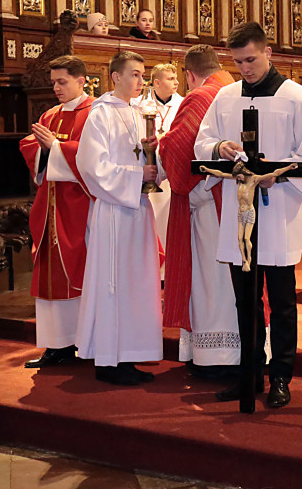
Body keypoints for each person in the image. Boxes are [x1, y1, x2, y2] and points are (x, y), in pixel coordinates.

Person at [194, 22, 302, 408]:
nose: (245, 68)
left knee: (283, 300)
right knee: (245, 299)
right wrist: (220, 145)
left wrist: (278, 177)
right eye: (238, 62)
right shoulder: (225, 96)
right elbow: (203, 142)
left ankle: (282, 376)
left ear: (268, 52)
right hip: (241, 212)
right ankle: (249, 374)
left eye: (251, 59)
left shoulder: (295, 96)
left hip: (279, 211)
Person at [74, 51, 164, 385]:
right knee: (115, 284)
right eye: (136, 75)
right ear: (115, 77)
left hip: (137, 210)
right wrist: (136, 175)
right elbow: (91, 167)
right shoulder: (100, 115)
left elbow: (151, 165)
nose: (141, 81)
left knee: (137, 284)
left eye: (143, 75)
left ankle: (129, 354)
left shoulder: (140, 114)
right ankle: (109, 360)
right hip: (113, 211)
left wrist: (156, 154)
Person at [159, 45, 240, 377]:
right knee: (236, 280)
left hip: (210, 204)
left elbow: (180, 150)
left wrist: (162, 143)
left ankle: (215, 358)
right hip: (239, 199)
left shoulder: (201, 96)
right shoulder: (234, 88)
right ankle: (242, 351)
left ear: (188, 75)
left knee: (211, 279)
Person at [18, 55, 94, 369]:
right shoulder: (50, 114)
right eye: (53, 82)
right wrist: (44, 147)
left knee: (82, 272)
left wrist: (57, 148)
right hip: (50, 207)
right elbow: (30, 144)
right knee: (51, 276)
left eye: (62, 81)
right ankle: (57, 345)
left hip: (80, 207)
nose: (56, 88)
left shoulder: (94, 113)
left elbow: (93, 155)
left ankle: (86, 341)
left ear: (82, 80)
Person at [132, 63, 184, 251]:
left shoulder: (183, 104)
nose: (176, 82)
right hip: (147, 170)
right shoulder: (138, 105)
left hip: (171, 173)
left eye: (176, 78)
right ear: (156, 82)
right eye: (171, 79)